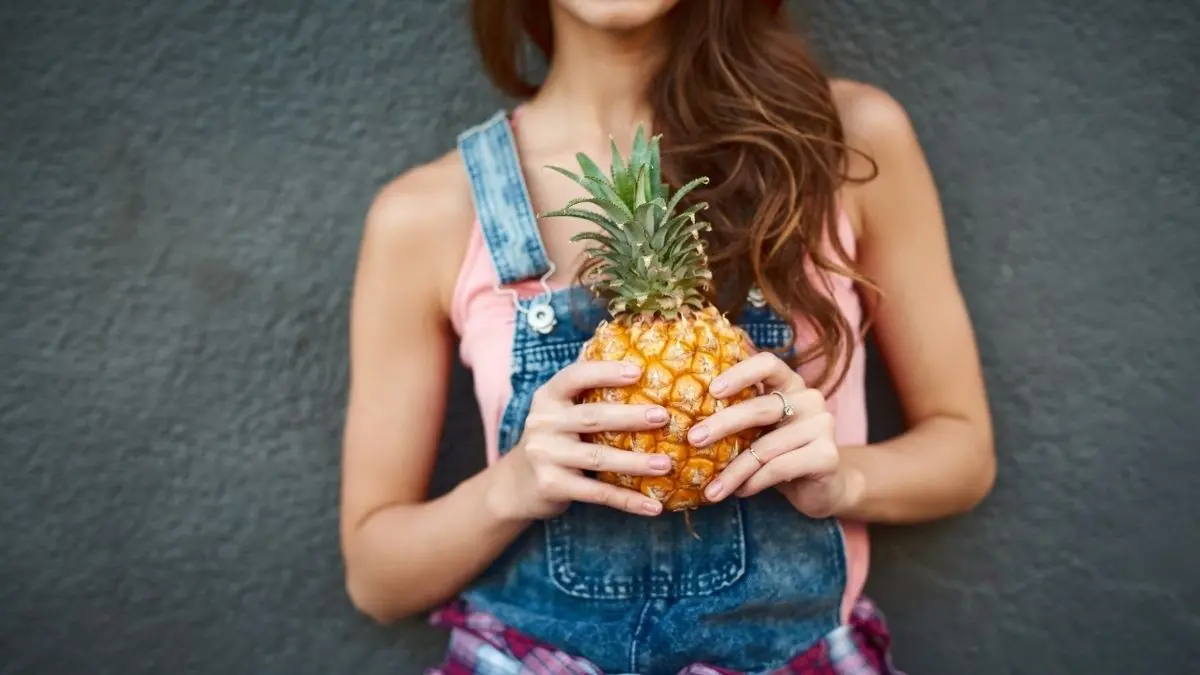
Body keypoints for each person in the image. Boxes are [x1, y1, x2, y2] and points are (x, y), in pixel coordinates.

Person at [338, 0, 995, 672]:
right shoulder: (425, 213)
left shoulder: (845, 141)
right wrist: (509, 488)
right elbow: (376, 579)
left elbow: (964, 451)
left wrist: (845, 480)